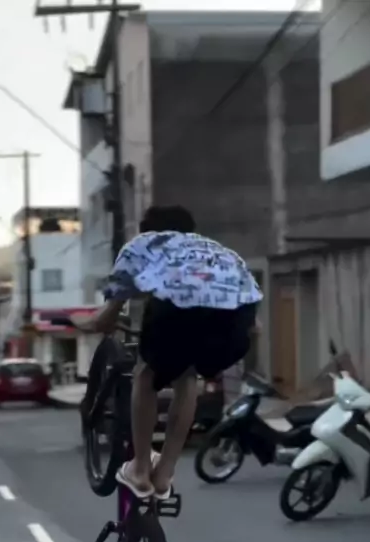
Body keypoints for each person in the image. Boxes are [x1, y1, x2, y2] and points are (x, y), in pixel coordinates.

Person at [74, 205, 263, 500]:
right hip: (235, 323)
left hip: (178, 308)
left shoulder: (143, 244)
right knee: (186, 377)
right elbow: (255, 324)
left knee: (146, 375)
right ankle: (164, 474)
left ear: (147, 229)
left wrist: (86, 322)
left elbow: (107, 317)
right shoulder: (219, 251)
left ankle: (139, 469)